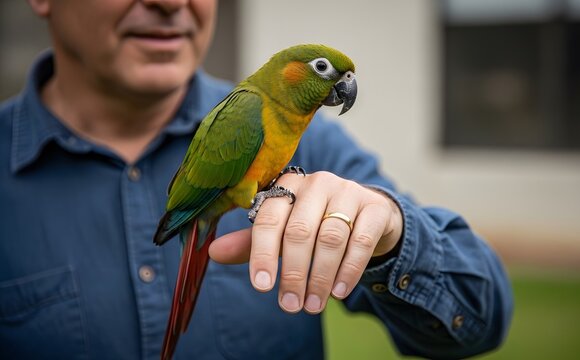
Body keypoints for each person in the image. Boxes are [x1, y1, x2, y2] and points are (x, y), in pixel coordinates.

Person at [0, 0, 513, 359]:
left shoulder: (316, 149)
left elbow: (479, 319)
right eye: (320, 68)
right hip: (206, 209)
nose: (169, 1)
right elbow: (235, 187)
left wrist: (390, 234)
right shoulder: (248, 111)